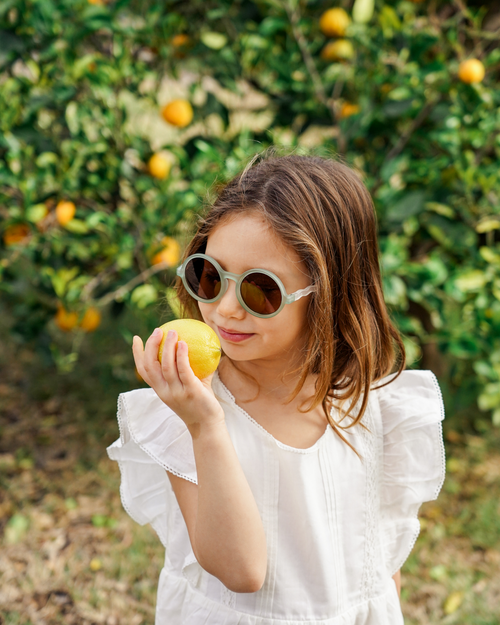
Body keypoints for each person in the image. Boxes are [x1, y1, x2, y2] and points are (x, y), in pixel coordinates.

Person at [107, 151, 446, 624]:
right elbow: (241, 571)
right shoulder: (188, 407)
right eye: (209, 275)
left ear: (329, 291)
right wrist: (206, 427)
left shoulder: (375, 406)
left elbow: (378, 565)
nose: (225, 309)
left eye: (259, 289)